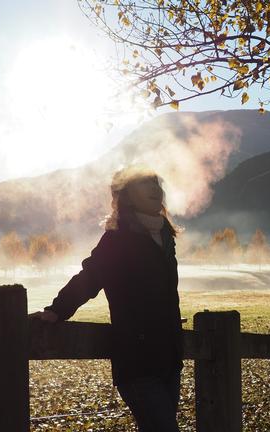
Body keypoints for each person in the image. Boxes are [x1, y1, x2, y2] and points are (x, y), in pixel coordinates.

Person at [29, 165, 183, 432]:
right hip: (138, 362)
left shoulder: (165, 238)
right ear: (126, 195)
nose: (155, 189)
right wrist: (57, 310)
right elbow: (90, 277)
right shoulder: (117, 240)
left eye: (157, 183)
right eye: (145, 183)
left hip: (169, 361)